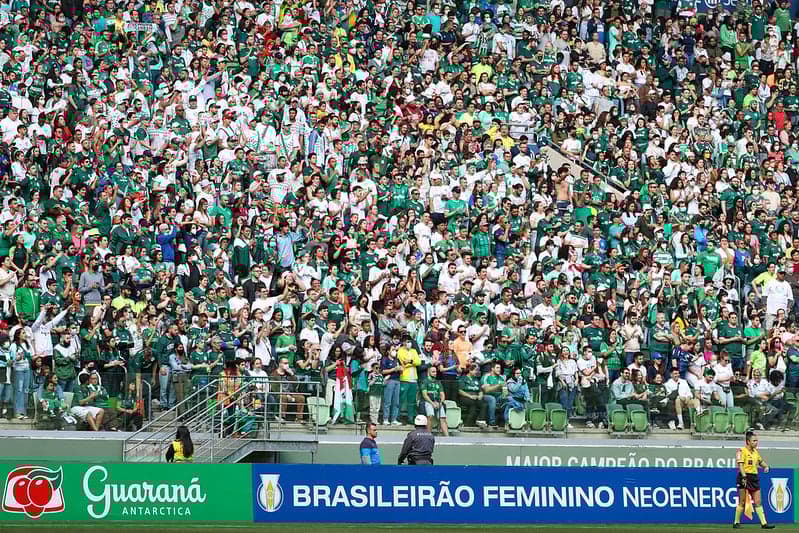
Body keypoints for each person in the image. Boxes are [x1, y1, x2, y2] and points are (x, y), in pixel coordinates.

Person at [732, 430, 775, 529]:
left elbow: (761, 461)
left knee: (758, 501)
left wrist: (766, 467)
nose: (756, 442)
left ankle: (764, 524)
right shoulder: (741, 451)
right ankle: (736, 522)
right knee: (742, 501)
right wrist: (744, 477)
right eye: (754, 441)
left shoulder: (755, 452)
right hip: (744, 477)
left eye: (756, 441)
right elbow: (741, 465)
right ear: (748, 441)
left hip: (754, 477)